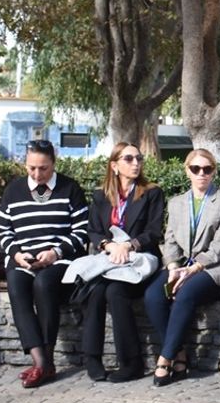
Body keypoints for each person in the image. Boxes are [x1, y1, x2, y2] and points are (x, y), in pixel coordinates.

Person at [63, 142, 164, 383]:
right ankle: (92, 358)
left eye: (138, 158)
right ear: (114, 165)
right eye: (129, 159)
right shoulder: (101, 195)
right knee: (96, 292)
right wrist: (109, 246)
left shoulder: (151, 192)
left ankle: (132, 363)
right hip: (109, 260)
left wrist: (128, 245)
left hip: (138, 263)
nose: (136, 163)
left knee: (116, 293)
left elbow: (154, 231)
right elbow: (93, 230)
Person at [0, 139, 89, 388]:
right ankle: (40, 361)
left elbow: (82, 231)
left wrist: (56, 252)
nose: (37, 174)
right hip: (22, 259)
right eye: (31, 168)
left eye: (43, 168)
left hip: (60, 259)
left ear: (54, 163)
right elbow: (2, 230)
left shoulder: (70, 188)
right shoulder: (13, 190)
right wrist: (16, 254)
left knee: (45, 284)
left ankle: (45, 360)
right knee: (16, 286)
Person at [144, 149, 220, 387]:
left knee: (184, 294)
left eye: (207, 169)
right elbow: (170, 240)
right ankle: (180, 353)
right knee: (154, 295)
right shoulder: (176, 203)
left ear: (214, 171)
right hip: (182, 266)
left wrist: (195, 268)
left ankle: (165, 358)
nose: (201, 174)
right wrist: (174, 266)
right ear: (187, 171)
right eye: (196, 169)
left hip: (212, 268)